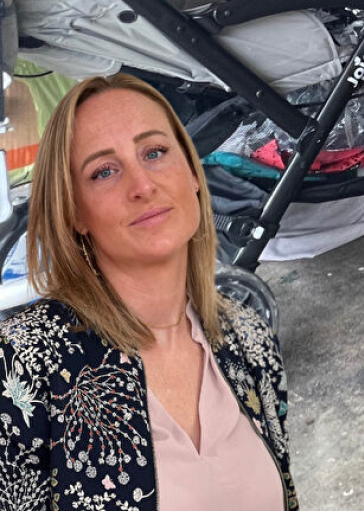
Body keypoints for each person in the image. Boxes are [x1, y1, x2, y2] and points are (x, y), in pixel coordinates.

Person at [0, 73, 295, 510]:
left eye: (154, 152)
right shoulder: (20, 363)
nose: (142, 186)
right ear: (75, 212)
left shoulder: (249, 337)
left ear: (193, 174)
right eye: (104, 171)